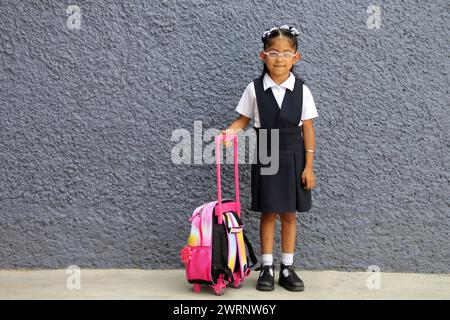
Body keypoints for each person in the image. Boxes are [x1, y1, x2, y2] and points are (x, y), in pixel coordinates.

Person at [221, 25, 318, 292]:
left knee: (289, 213)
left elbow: (308, 129)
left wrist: (309, 166)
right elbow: (243, 119)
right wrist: (229, 132)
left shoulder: (302, 90)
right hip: (266, 153)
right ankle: (266, 267)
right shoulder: (253, 89)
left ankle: (287, 267)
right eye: (273, 52)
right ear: (263, 56)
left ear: (295, 58)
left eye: (286, 53)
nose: (279, 58)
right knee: (268, 212)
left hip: (294, 155)